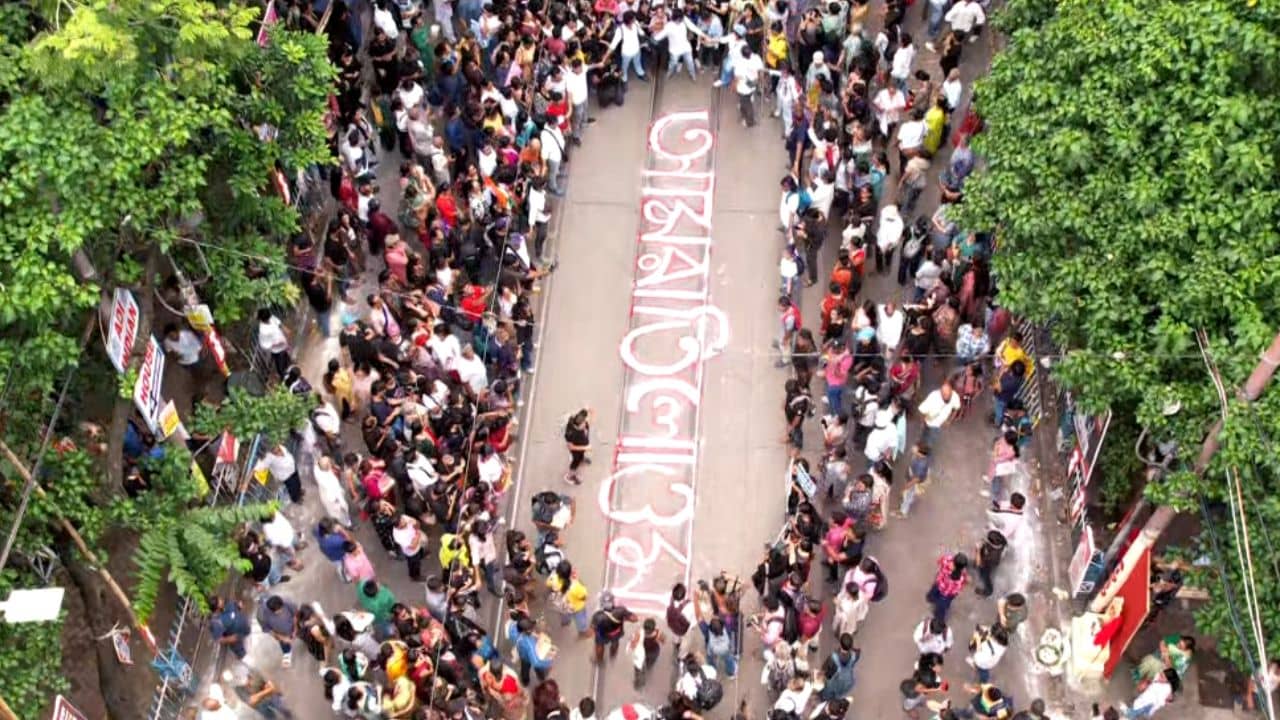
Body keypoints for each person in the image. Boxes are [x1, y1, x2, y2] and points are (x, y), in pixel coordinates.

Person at [257, 594, 298, 667]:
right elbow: (268, 630)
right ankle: (287, 653)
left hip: (293, 625)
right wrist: (282, 638)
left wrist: (295, 629)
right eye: (276, 611)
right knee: (284, 645)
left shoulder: (287, 602)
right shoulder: (261, 614)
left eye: (281, 609)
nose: (279, 612)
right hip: (280, 633)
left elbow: (295, 615)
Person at [918, 379, 962, 446]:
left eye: (948, 394)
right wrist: (923, 421)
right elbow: (922, 410)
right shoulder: (933, 396)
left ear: (951, 391)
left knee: (929, 443)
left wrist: (950, 420)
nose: (946, 396)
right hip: (927, 421)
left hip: (936, 427)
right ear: (940, 392)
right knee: (924, 435)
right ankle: (922, 445)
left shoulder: (955, 396)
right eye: (944, 394)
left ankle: (925, 450)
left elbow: (956, 408)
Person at [927, 551, 969, 622]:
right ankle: (938, 618)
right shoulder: (961, 577)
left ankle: (932, 599)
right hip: (947, 594)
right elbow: (960, 587)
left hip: (939, 583)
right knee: (941, 608)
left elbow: (939, 561)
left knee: (932, 594)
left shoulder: (946, 560)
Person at [817, 633, 859, 701]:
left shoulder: (833, 657)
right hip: (846, 682)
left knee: (826, 694)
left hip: (833, 683)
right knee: (838, 694)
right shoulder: (855, 655)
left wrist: (819, 675)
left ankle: (824, 699)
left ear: (840, 643)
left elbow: (824, 670)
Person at [208, 595, 252, 660]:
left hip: (244, 628)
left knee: (247, 632)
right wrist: (230, 639)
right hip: (235, 638)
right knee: (242, 655)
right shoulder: (216, 622)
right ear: (217, 606)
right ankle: (246, 661)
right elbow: (218, 639)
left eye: (220, 598)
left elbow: (237, 605)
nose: (221, 600)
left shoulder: (228, 604)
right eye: (219, 601)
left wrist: (239, 606)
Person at [628, 617, 665, 689]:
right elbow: (663, 641)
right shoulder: (658, 633)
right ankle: (648, 668)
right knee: (650, 663)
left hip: (641, 652)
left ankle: (638, 681)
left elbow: (633, 645)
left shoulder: (639, 633)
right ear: (653, 628)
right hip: (653, 652)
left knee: (638, 667)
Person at [564, 407, 592, 485]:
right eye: (582, 424)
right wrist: (585, 447)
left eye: (584, 422)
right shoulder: (571, 434)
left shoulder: (580, 418)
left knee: (581, 456)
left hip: (582, 445)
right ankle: (570, 476)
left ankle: (582, 458)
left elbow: (587, 410)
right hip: (576, 450)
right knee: (576, 461)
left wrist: (590, 411)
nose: (585, 424)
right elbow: (570, 447)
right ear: (576, 426)